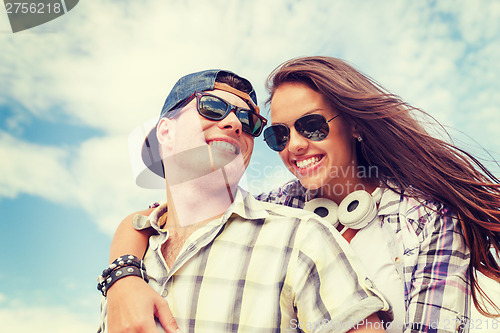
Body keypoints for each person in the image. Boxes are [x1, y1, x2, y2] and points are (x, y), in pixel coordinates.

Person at [103, 57, 500, 333]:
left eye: (311, 126)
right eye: (278, 134)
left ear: (355, 125)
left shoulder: (428, 218)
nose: (293, 146)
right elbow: (158, 218)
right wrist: (123, 277)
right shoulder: (280, 209)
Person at [97, 69, 393, 333]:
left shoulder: (302, 238)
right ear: (165, 132)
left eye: (248, 121)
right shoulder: (128, 266)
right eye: (212, 107)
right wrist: (122, 275)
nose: (233, 123)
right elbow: (138, 222)